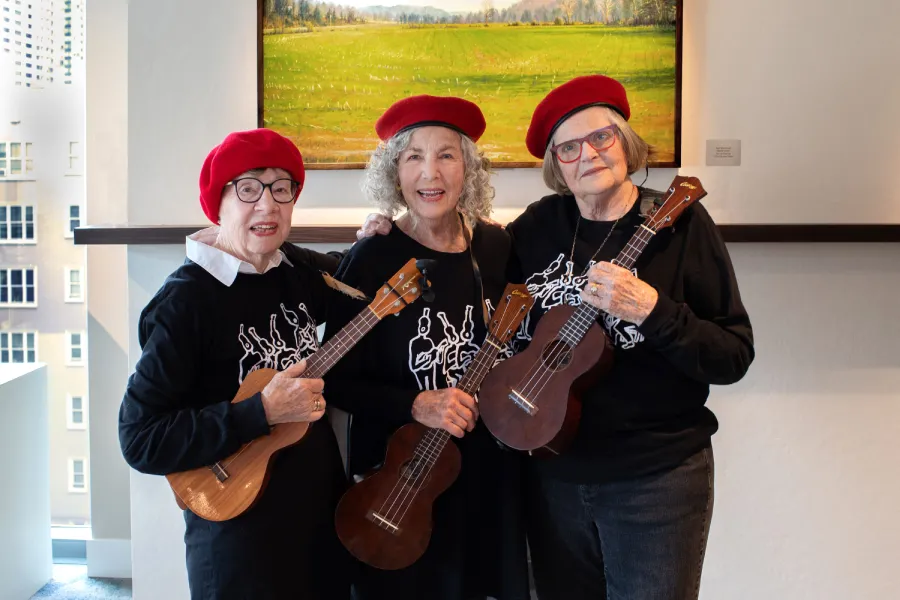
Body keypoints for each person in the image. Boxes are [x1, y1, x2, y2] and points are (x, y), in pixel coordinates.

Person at [357, 75, 755, 600]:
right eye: (569, 147)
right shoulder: (538, 228)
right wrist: (382, 234)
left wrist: (653, 310)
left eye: (601, 138)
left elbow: (732, 355)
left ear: (626, 143)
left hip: (653, 479)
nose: (588, 155)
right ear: (557, 166)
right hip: (550, 478)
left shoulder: (680, 224)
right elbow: (458, 255)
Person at [118, 128, 351, 600]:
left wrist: (376, 234)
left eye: (282, 188)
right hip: (238, 542)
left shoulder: (298, 273)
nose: (267, 206)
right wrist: (260, 412)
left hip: (318, 524)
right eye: (248, 187)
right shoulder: (185, 301)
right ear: (218, 201)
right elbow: (140, 438)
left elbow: (360, 285)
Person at [323, 95, 530, 600]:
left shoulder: (496, 247)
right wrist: (415, 403)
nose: (429, 172)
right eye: (413, 156)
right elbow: (333, 378)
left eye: (446, 155)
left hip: (485, 475)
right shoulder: (374, 255)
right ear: (395, 171)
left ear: (468, 169)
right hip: (400, 487)